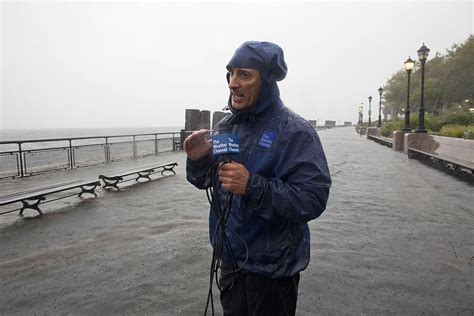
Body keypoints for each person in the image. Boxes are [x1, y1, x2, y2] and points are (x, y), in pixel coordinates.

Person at [184, 41, 331, 316]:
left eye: (244, 75)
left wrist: (251, 186)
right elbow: (209, 180)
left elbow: (313, 199)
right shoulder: (227, 127)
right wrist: (197, 160)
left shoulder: (295, 131)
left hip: (273, 271)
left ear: (266, 81)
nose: (232, 83)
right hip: (230, 261)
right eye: (231, 73)